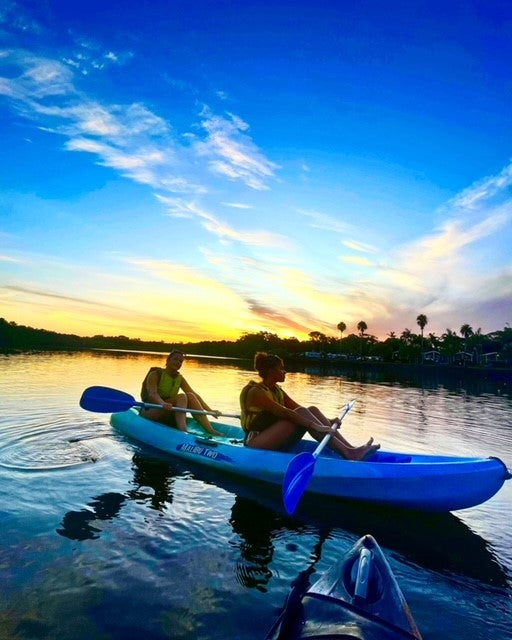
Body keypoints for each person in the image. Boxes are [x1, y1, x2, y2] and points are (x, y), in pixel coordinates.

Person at [240, 352, 380, 460]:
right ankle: (349, 453)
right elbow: (286, 413)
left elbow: (302, 410)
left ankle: (351, 449)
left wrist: (328, 421)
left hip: (272, 437)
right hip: (255, 442)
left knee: (311, 409)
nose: (285, 372)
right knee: (301, 413)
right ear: (270, 371)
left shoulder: (277, 390)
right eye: (281, 369)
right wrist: (315, 426)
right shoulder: (256, 392)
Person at [140, 350, 223, 436]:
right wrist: (163, 403)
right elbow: (152, 394)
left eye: (180, 361)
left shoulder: (180, 379)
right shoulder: (155, 374)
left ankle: (210, 430)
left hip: (169, 411)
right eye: (175, 359)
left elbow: (195, 395)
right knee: (182, 397)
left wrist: (209, 410)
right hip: (151, 410)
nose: (178, 363)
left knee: (190, 395)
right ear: (168, 360)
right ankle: (183, 431)